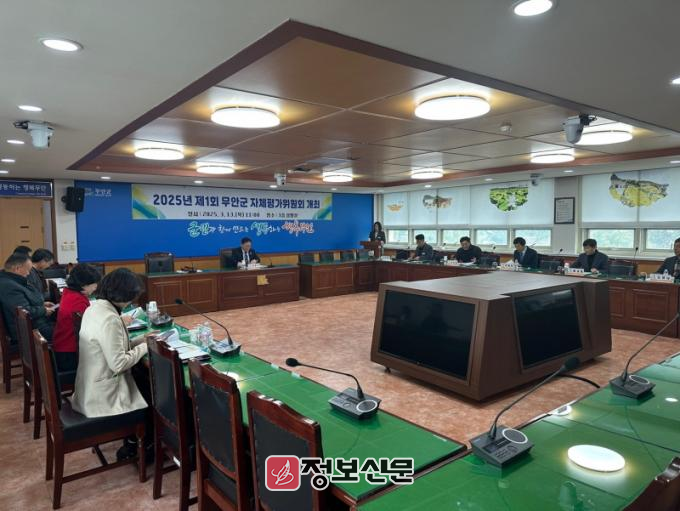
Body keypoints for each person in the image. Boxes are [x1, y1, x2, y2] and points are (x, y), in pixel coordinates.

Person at [71, 268, 148, 418]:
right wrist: (146, 346)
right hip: (103, 397)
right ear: (125, 294)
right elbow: (118, 364)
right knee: (151, 391)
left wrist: (141, 339)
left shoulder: (94, 307)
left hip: (89, 387)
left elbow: (110, 346)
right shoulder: (110, 319)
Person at [52, 264, 102, 373]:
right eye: (94, 283)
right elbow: (94, 330)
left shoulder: (68, 292)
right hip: (71, 356)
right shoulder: (78, 302)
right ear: (84, 284)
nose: (96, 287)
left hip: (62, 349)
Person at [0, 252, 56, 343]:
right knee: (69, 333)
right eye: (28, 270)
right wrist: (43, 310)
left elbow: (25, 302)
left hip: (35, 324)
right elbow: (23, 312)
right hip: (30, 330)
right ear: (17, 268)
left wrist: (42, 304)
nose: (29, 273)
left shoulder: (13, 280)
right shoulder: (9, 286)